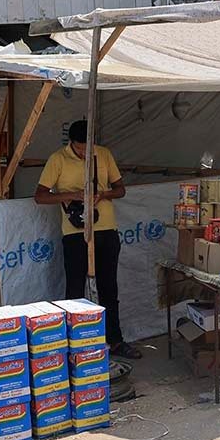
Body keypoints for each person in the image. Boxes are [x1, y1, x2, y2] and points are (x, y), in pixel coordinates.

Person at [34, 120, 140, 360]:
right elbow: (40, 196)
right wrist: (72, 195)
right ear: (71, 143)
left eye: (87, 148)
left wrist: (103, 194)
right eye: (80, 148)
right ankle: (76, 344)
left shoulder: (103, 154)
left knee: (108, 288)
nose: (84, 152)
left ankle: (115, 340)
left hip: (106, 229)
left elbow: (120, 189)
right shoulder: (57, 159)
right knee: (74, 289)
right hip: (75, 232)